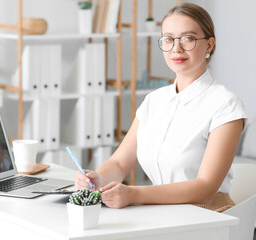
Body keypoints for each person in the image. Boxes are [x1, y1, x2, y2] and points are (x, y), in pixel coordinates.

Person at [74, 3, 247, 212]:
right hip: (161, 212)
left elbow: (205, 188)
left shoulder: (225, 104)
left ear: (209, 45)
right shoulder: (154, 101)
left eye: (188, 38)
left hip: (208, 216)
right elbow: (119, 163)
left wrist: (134, 194)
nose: (176, 48)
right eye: (168, 39)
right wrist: (97, 178)